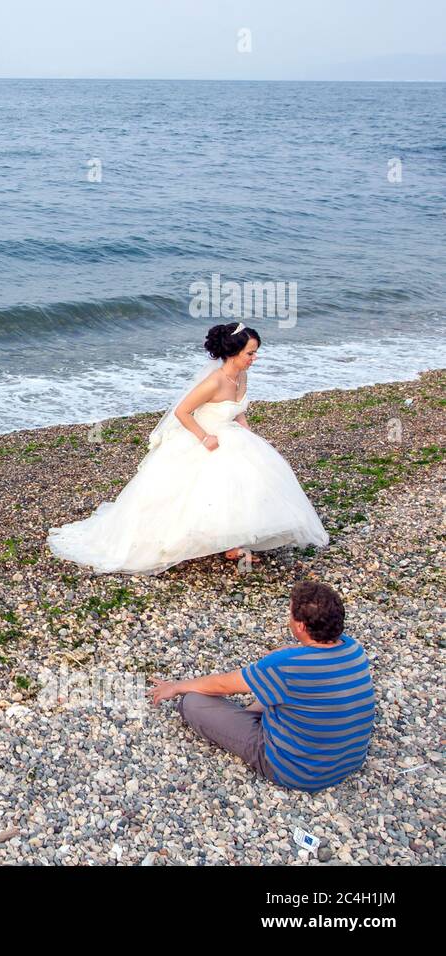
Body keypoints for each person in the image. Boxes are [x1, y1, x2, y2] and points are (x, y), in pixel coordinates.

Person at [46, 322, 328, 574]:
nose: (254, 359)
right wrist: (205, 438)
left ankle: (234, 543)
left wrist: (248, 432)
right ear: (233, 353)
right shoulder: (214, 381)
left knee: (245, 485)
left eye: (255, 353)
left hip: (231, 435)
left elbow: (238, 409)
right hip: (203, 437)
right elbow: (183, 412)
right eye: (250, 353)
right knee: (194, 493)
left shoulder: (241, 376)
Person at [149, 581, 374, 791]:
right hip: (349, 761)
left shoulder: (285, 666)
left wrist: (177, 686)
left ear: (301, 626)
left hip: (296, 771)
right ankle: (254, 714)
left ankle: (244, 720)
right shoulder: (353, 648)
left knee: (193, 703)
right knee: (282, 691)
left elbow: (222, 685)